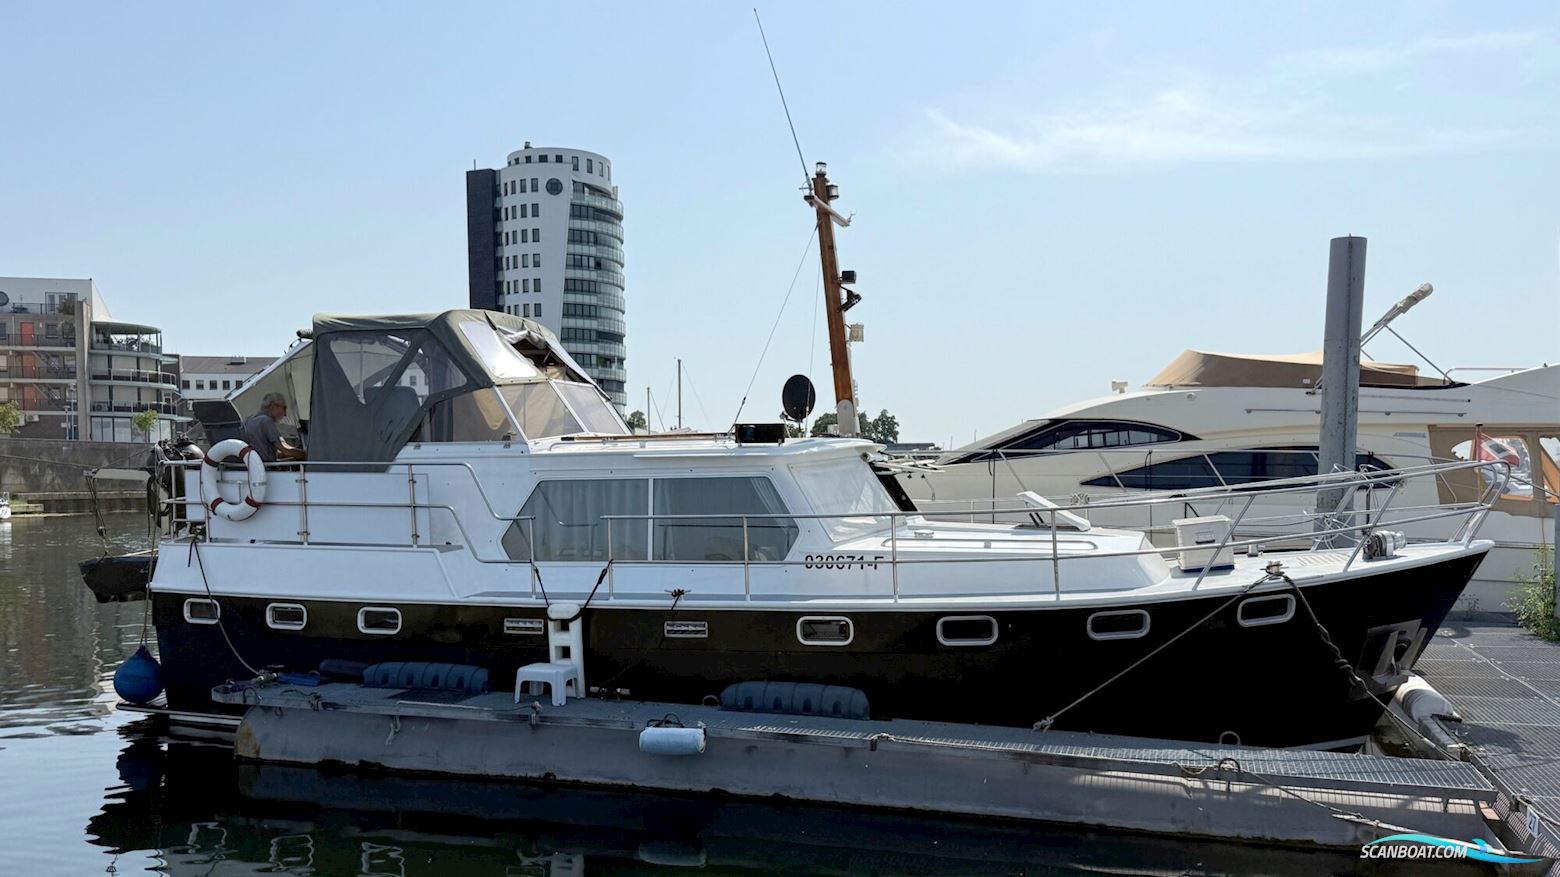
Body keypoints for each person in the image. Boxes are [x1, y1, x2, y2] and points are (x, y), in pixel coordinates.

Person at [241, 392, 307, 463]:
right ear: (272, 406)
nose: (285, 414)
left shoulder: (248, 420)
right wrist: (307, 455)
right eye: (284, 408)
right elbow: (285, 450)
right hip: (266, 467)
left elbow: (270, 451)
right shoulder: (266, 421)